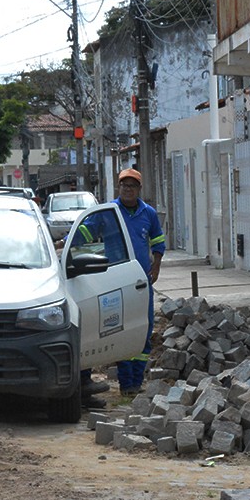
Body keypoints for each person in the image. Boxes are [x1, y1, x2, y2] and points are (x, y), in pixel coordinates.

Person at [75, 167, 165, 398]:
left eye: (132, 186)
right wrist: (64, 243)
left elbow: (158, 242)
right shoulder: (109, 212)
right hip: (115, 281)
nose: (127, 189)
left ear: (139, 189)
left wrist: (156, 266)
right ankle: (126, 385)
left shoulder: (149, 214)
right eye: (124, 185)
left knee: (143, 330)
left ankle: (137, 380)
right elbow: (86, 232)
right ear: (119, 187)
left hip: (140, 282)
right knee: (121, 332)